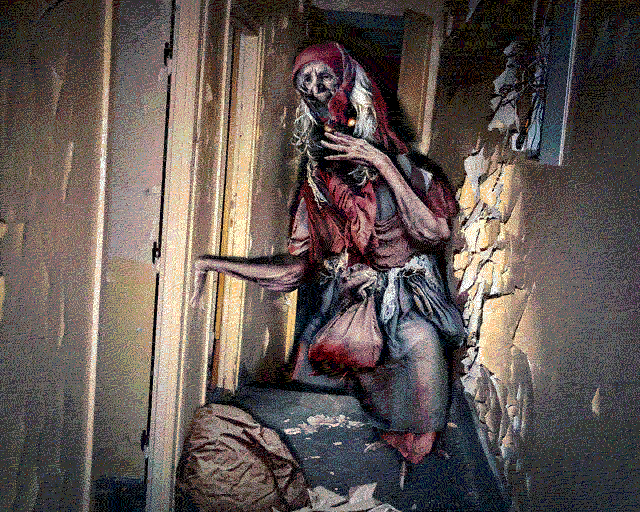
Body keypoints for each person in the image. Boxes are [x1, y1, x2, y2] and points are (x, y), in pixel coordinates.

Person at [192, 42, 466, 464]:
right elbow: (294, 270)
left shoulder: (410, 169)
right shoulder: (318, 184)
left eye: (324, 78)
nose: (316, 89)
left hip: (412, 301)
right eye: (305, 82)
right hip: (357, 301)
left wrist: (382, 163)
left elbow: (434, 233)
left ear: (349, 85)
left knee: (419, 353)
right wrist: (212, 264)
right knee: (313, 379)